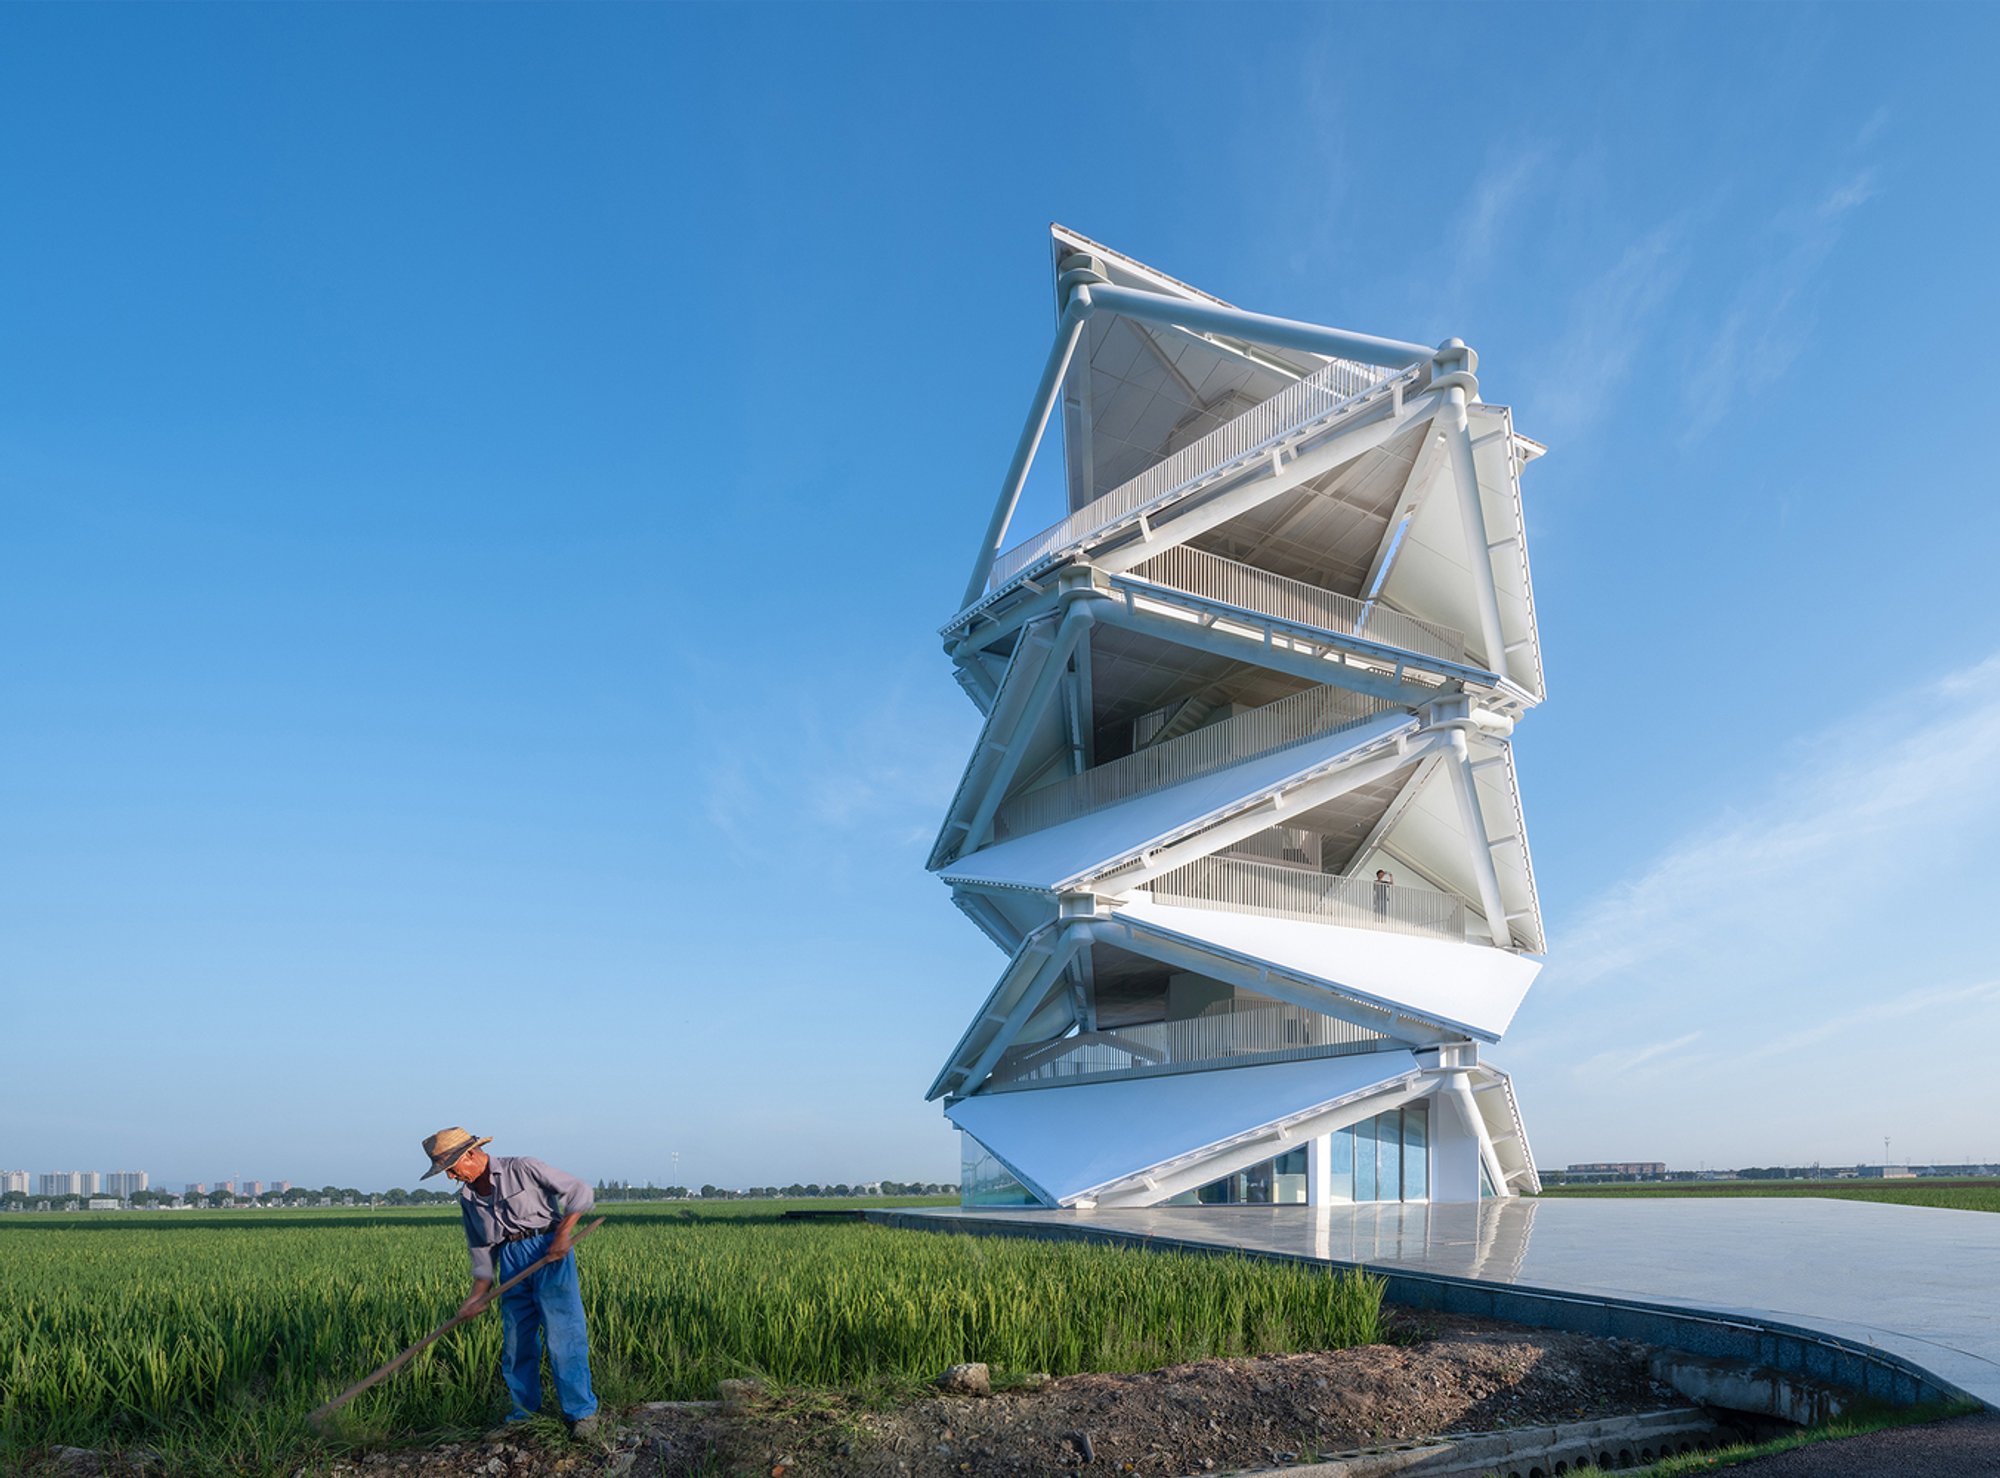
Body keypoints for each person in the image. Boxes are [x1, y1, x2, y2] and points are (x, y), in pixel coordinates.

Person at [420, 1126, 600, 1437]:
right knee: (516, 1342)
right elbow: (481, 1252)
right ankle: (525, 1414)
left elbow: (580, 1191)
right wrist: (476, 1296)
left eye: (452, 1169)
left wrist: (562, 1234)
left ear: (471, 1154)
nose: (451, 1177)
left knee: (563, 1337)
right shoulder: (468, 1199)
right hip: (510, 1261)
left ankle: (581, 1414)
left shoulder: (523, 1168)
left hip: (548, 1251)